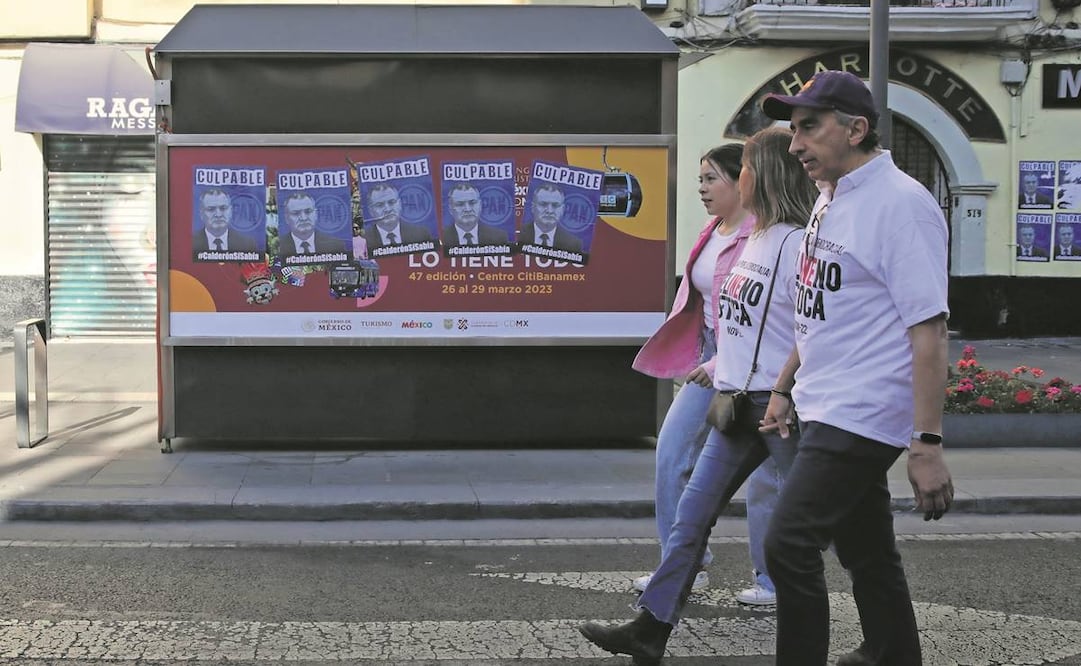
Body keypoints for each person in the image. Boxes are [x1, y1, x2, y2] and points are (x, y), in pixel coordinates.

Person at [579, 126, 818, 665]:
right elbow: (733, 322)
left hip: (779, 407)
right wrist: (713, 367)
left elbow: (814, 330)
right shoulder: (746, 238)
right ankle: (650, 629)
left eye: (743, 168)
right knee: (691, 516)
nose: (728, 180)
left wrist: (783, 389)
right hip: (736, 401)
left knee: (823, 528)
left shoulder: (800, 242)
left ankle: (868, 635)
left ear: (764, 176)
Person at [757, 69, 954, 665]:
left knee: (787, 543)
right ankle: (892, 654)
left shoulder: (900, 206)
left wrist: (925, 445)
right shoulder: (830, 198)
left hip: (863, 410)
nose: (795, 146)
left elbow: (930, 330)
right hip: (826, 401)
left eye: (809, 128)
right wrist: (786, 385)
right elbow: (822, 310)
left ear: (857, 128)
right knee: (867, 551)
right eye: (793, 131)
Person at [629, 143, 784, 605]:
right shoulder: (713, 228)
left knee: (767, 480)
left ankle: (772, 581)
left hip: (754, 365)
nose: (701, 188)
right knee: (671, 455)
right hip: (712, 359)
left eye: (711, 178)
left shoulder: (764, 237)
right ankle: (684, 567)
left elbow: (764, 317)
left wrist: (719, 362)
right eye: (700, 179)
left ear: (744, 181)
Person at [278, 191, 349, 259]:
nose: (303, 218)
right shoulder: (278, 247)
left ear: (315, 214)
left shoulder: (335, 245)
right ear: (287, 218)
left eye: (308, 212)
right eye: (296, 213)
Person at [364, 183, 434, 250]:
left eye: (392, 202)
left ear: (400, 204)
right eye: (380, 205)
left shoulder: (421, 234)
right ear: (371, 211)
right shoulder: (364, 240)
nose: (388, 209)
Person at [192, 188, 259, 257]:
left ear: (230, 211)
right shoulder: (191, 243)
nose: (218, 214)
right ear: (201, 214)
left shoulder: (247, 244)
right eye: (211, 209)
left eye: (223, 208)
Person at [518, 184, 584, 253]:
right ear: (533, 207)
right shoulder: (518, 236)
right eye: (543, 204)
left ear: (562, 209)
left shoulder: (573, 244)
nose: (550, 211)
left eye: (555, 205)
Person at [442, 183, 509, 247]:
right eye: (460, 204)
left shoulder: (498, 237)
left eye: (472, 203)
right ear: (450, 209)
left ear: (480, 205)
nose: (468, 209)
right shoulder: (442, 237)